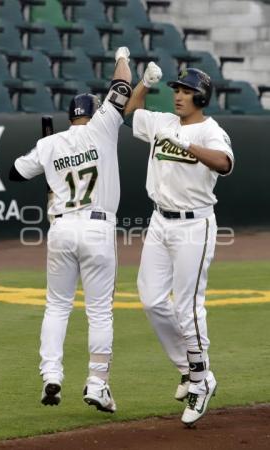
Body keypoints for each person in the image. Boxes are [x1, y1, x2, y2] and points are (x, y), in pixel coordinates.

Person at [9, 47, 133, 413]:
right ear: (94, 113)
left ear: (69, 116)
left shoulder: (50, 143)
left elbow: (15, 172)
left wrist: (51, 167)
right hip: (97, 227)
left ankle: (52, 375)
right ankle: (97, 383)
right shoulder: (103, 125)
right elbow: (123, 87)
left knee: (57, 306)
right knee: (99, 312)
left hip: (61, 228)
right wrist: (121, 55)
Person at [125, 66, 234, 425]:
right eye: (176, 89)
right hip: (160, 220)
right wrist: (145, 83)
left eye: (185, 91)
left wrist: (189, 144)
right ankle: (189, 368)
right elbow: (131, 113)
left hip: (194, 223)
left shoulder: (209, 130)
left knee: (187, 306)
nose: (178, 95)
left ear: (200, 97)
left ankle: (201, 383)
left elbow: (224, 163)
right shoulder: (162, 122)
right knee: (152, 299)